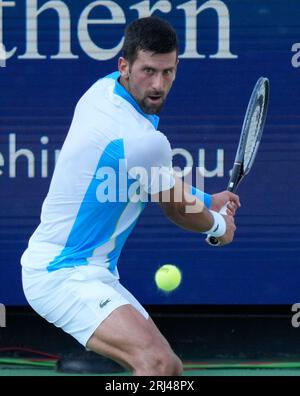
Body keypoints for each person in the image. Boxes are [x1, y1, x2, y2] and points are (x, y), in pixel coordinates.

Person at [21, 16, 240, 376]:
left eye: (168, 72)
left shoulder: (105, 91)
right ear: (124, 66)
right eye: (148, 71)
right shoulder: (140, 138)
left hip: (94, 271)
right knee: (155, 365)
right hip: (60, 273)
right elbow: (177, 209)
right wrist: (217, 226)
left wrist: (208, 198)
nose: (158, 84)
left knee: (167, 369)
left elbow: (157, 178)